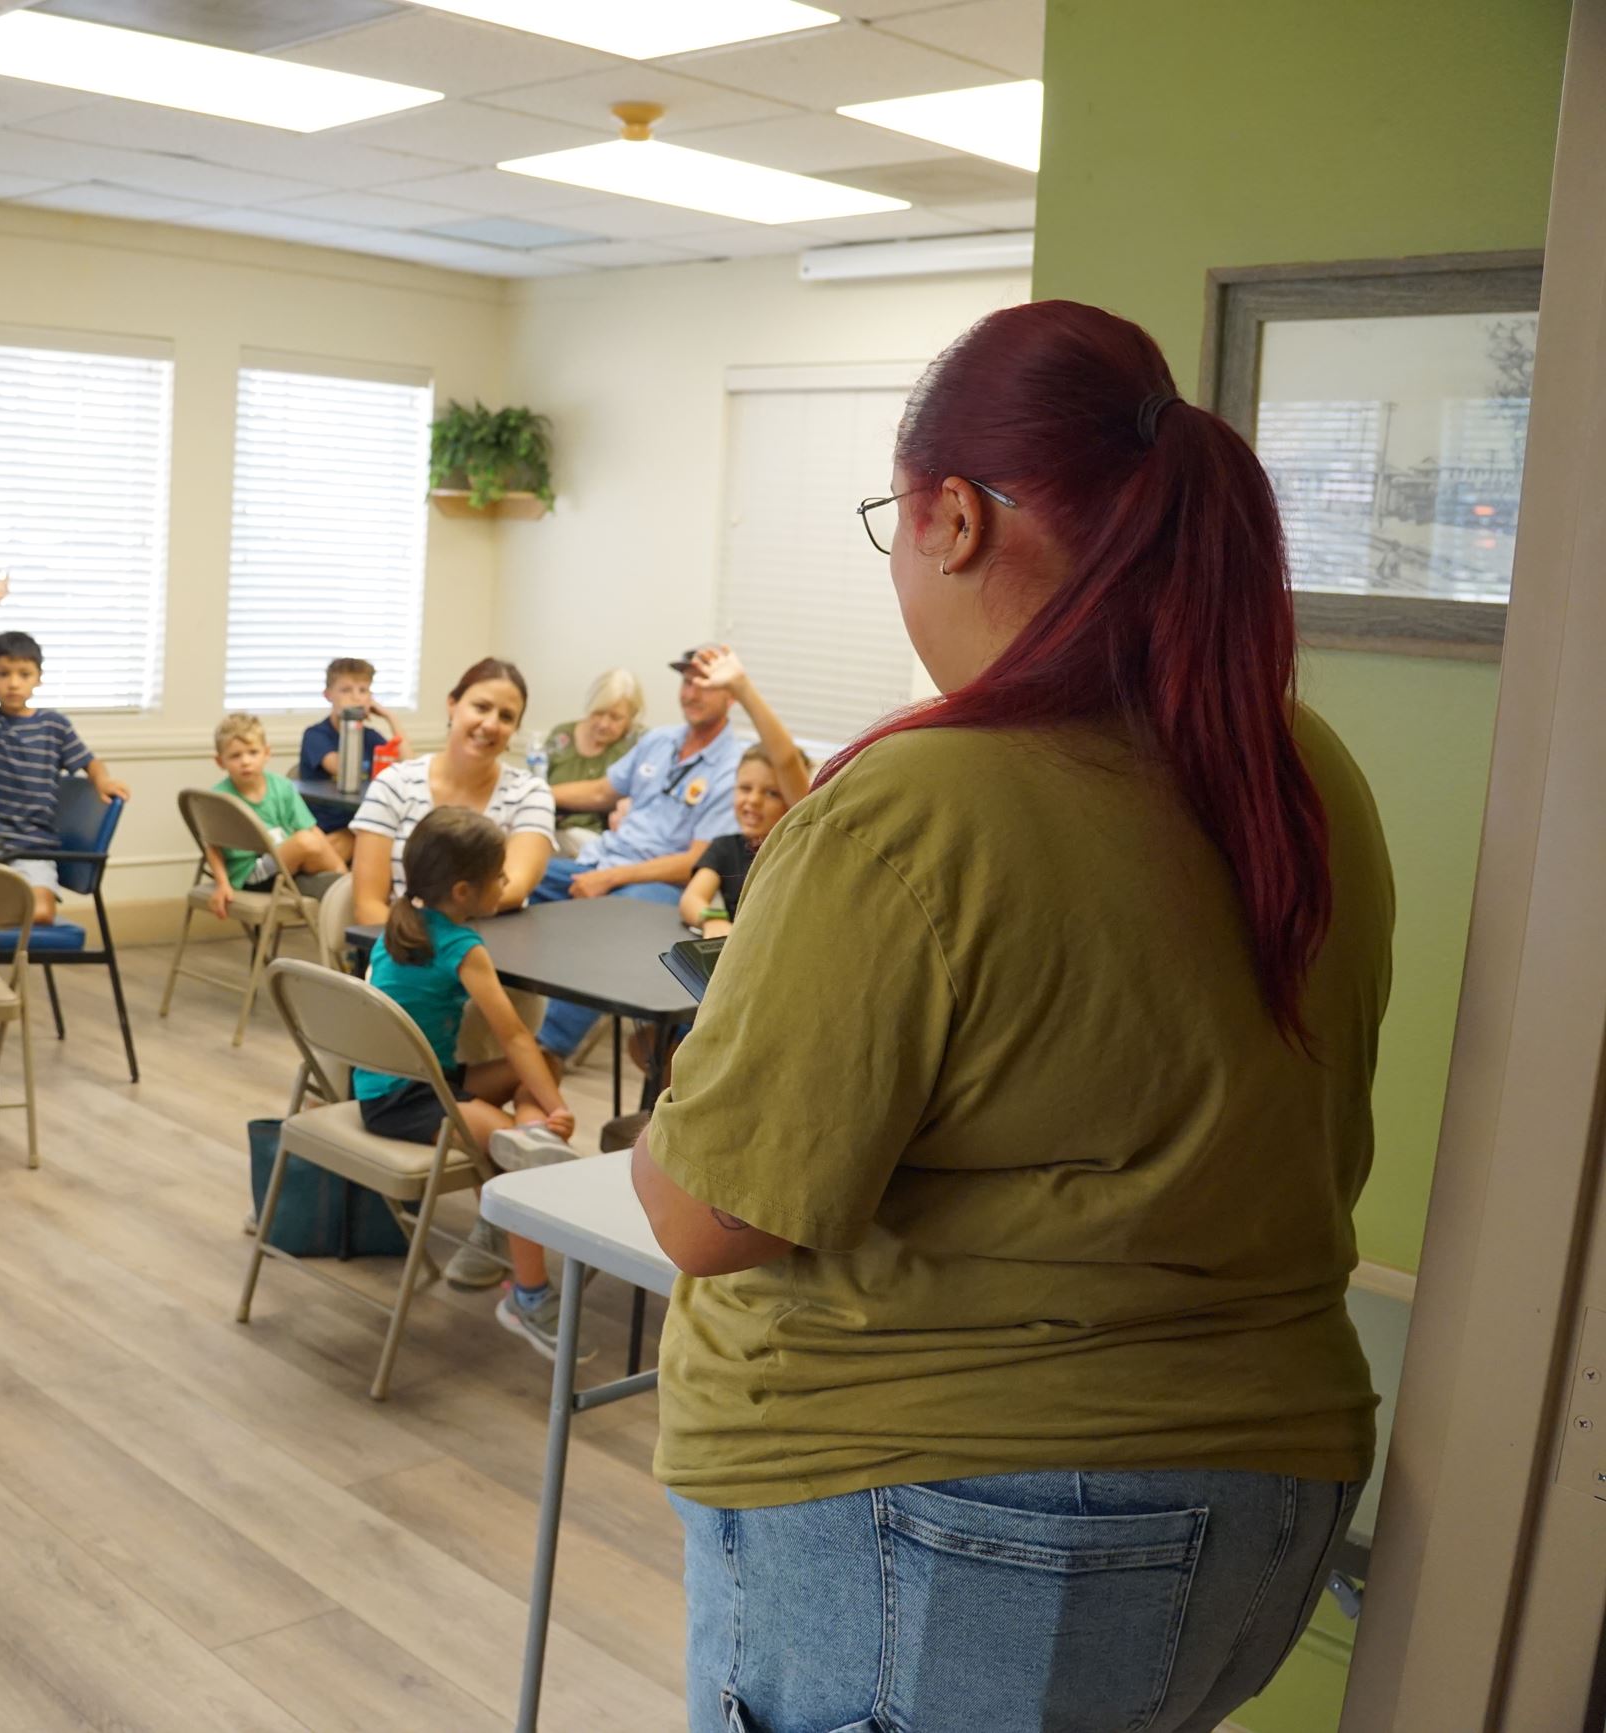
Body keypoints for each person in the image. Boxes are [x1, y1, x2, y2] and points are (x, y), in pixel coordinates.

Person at [631, 300, 1390, 1733]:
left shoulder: (923, 802)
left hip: (960, 1510)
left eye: (894, 520)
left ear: (953, 516)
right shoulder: (1297, 762)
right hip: (1270, 1484)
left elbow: (712, 1216)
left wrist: (680, 1101)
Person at [356, 807, 583, 1361]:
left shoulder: (398, 921)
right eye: (499, 877)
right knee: (519, 1149)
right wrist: (560, 1108)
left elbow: (527, 1056)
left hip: (394, 1082)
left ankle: (534, 1138)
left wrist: (542, 1102)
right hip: (409, 1097)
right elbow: (514, 1037)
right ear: (464, 890)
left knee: (545, 1067)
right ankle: (527, 1297)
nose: (507, 885)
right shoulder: (463, 948)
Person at [533, 644, 804, 1060]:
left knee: (606, 927)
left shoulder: (737, 767)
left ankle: (547, 1049)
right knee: (511, 884)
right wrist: (530, 796)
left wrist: (613, 879)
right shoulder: (658, 741)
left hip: (652, 885)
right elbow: (602, 792)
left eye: (705, 684)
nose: (692, 692)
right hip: (599, 861)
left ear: (730, 695)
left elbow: (695, 864)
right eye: (686, 681)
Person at [0, 575, 132, 927]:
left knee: (43, 912)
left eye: (24, 673)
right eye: (3, 673)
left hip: (33, 848)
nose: (14, 682)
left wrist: (103, 779)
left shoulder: (54, 726)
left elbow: (90, 762)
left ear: (38, 678)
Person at [347, 657, 555, 925]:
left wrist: (461, 952)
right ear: (452, 704)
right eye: (481, 707)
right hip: (404, 953)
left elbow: (513, 889)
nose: (491, 724)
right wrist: (427, 951)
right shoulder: (394, 785)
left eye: (506, 717)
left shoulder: (531, 794)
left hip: (496, 954)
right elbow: (368, 906)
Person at [204, 713, 342, 919]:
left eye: (253, 752)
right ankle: (343, 889)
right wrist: (222, 885)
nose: (245, 761)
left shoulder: (282, 787)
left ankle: (342, 883)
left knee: (341, 839)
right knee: (306, 841)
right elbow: (212, 846)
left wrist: (337, 865)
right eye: (235, 756)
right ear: (220, 761)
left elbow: (311, 828)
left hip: (284, 866)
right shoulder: (220, 797)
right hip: (250, 874)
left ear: (266, 753)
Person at [675, 743, 805, 940]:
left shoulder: (799, 852)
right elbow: (691, 899)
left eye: (772, 793)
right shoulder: (725, 847)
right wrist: (713, 920)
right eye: (745, 788)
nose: (753, 800)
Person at [542, 668, 644, 858]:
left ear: (631, 717)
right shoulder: (561, 736)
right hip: (551, 835)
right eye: (598, 713)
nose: (603, 724)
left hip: (609, 845)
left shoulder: (640, 744)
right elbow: (536, 784)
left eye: (615, 717)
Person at [298, 656, 394, 856]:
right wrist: (350, 723)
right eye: (346, 690)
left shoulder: (371, 736)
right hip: (325, 823)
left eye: (363, 690)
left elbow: (407, 767)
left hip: (361, 820)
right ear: (328, 694)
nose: (356, 697)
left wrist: (389, 717)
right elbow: (340, 768)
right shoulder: (315, 735)